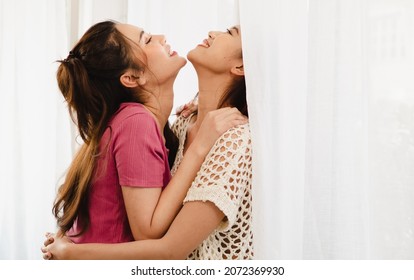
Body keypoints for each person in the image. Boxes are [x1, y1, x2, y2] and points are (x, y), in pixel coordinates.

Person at [42, 24, 253, 260]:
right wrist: (71, 251)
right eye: (148, 39)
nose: (162, 37)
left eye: (229, 33)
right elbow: (149, 230)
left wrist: (71, 250)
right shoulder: (145, 124)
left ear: (242, 66)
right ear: (132, 77)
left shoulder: (186, 129)